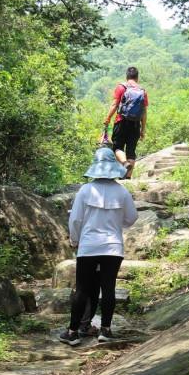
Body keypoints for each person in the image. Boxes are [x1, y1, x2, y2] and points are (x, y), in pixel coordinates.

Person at [59, 147, 137, 347]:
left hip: (89, 246)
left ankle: (73, 331)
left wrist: (75, 240)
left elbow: (75, 220)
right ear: (113, 168)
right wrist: (117, 223)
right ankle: (106, 330)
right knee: (108, 288)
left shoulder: (85, 190)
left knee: (82, 289)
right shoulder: (122, 191)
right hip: (112, 247)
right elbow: (131, 218)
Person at [104, 66, 148, 179]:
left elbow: (114, 105)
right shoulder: (142, 91)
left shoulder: (121, 87)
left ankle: (124, 163)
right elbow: (144, 112)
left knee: (117, 147)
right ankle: (127, 178)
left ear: (127, 76)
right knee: (131, 150)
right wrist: (143, 129)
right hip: (135, 124)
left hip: (121, 121)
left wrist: (108, 118)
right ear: (137, 78)